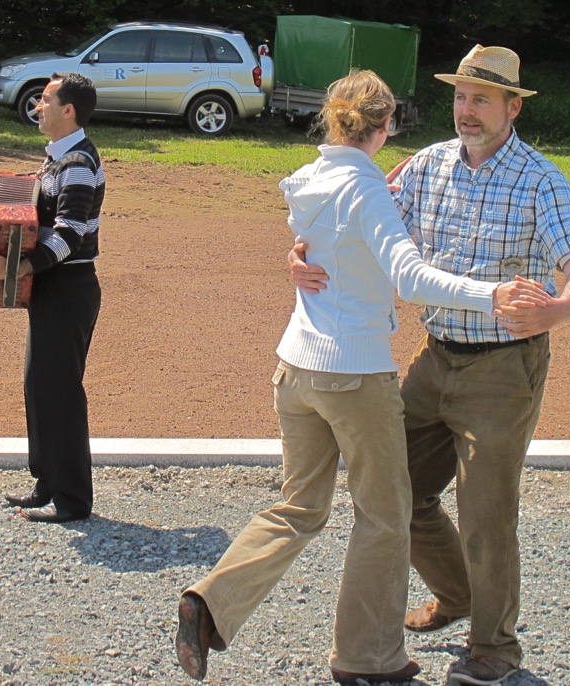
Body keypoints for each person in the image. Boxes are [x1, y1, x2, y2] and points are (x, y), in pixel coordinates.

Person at [175, 70, 551, 685]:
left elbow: (317, 241)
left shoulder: (311, 180)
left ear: (331, 119)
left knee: (299, 505)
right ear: (387, 126)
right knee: (384, 514)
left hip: (295, 367)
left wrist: (299, 253)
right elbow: (409, 277)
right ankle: (367, 660)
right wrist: (492, 295)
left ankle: (208, 600)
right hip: (354, 375)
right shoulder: (368, 187)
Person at [289, 46, 570, 685]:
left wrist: (558, 311)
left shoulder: (542, 180)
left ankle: (495, 650)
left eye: (481, 99)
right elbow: (357, 231)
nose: (466, 109)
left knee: (487, 511)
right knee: (395, 487)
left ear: (513, 107)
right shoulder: (425, 166)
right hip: (435, 360)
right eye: (460, 96)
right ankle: (458, 597)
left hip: (504, 367)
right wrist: (301, 254)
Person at [0, 72, 105, 523]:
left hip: (69, 288)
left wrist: (18, 269)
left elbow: (70, 235)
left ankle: (72, 501)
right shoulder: (58, 159)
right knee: (38, 385)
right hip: (54, 287)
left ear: (69, 110)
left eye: (46, 100)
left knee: (61, 393)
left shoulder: (78, 164)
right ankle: (47, 482)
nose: (37, 107)